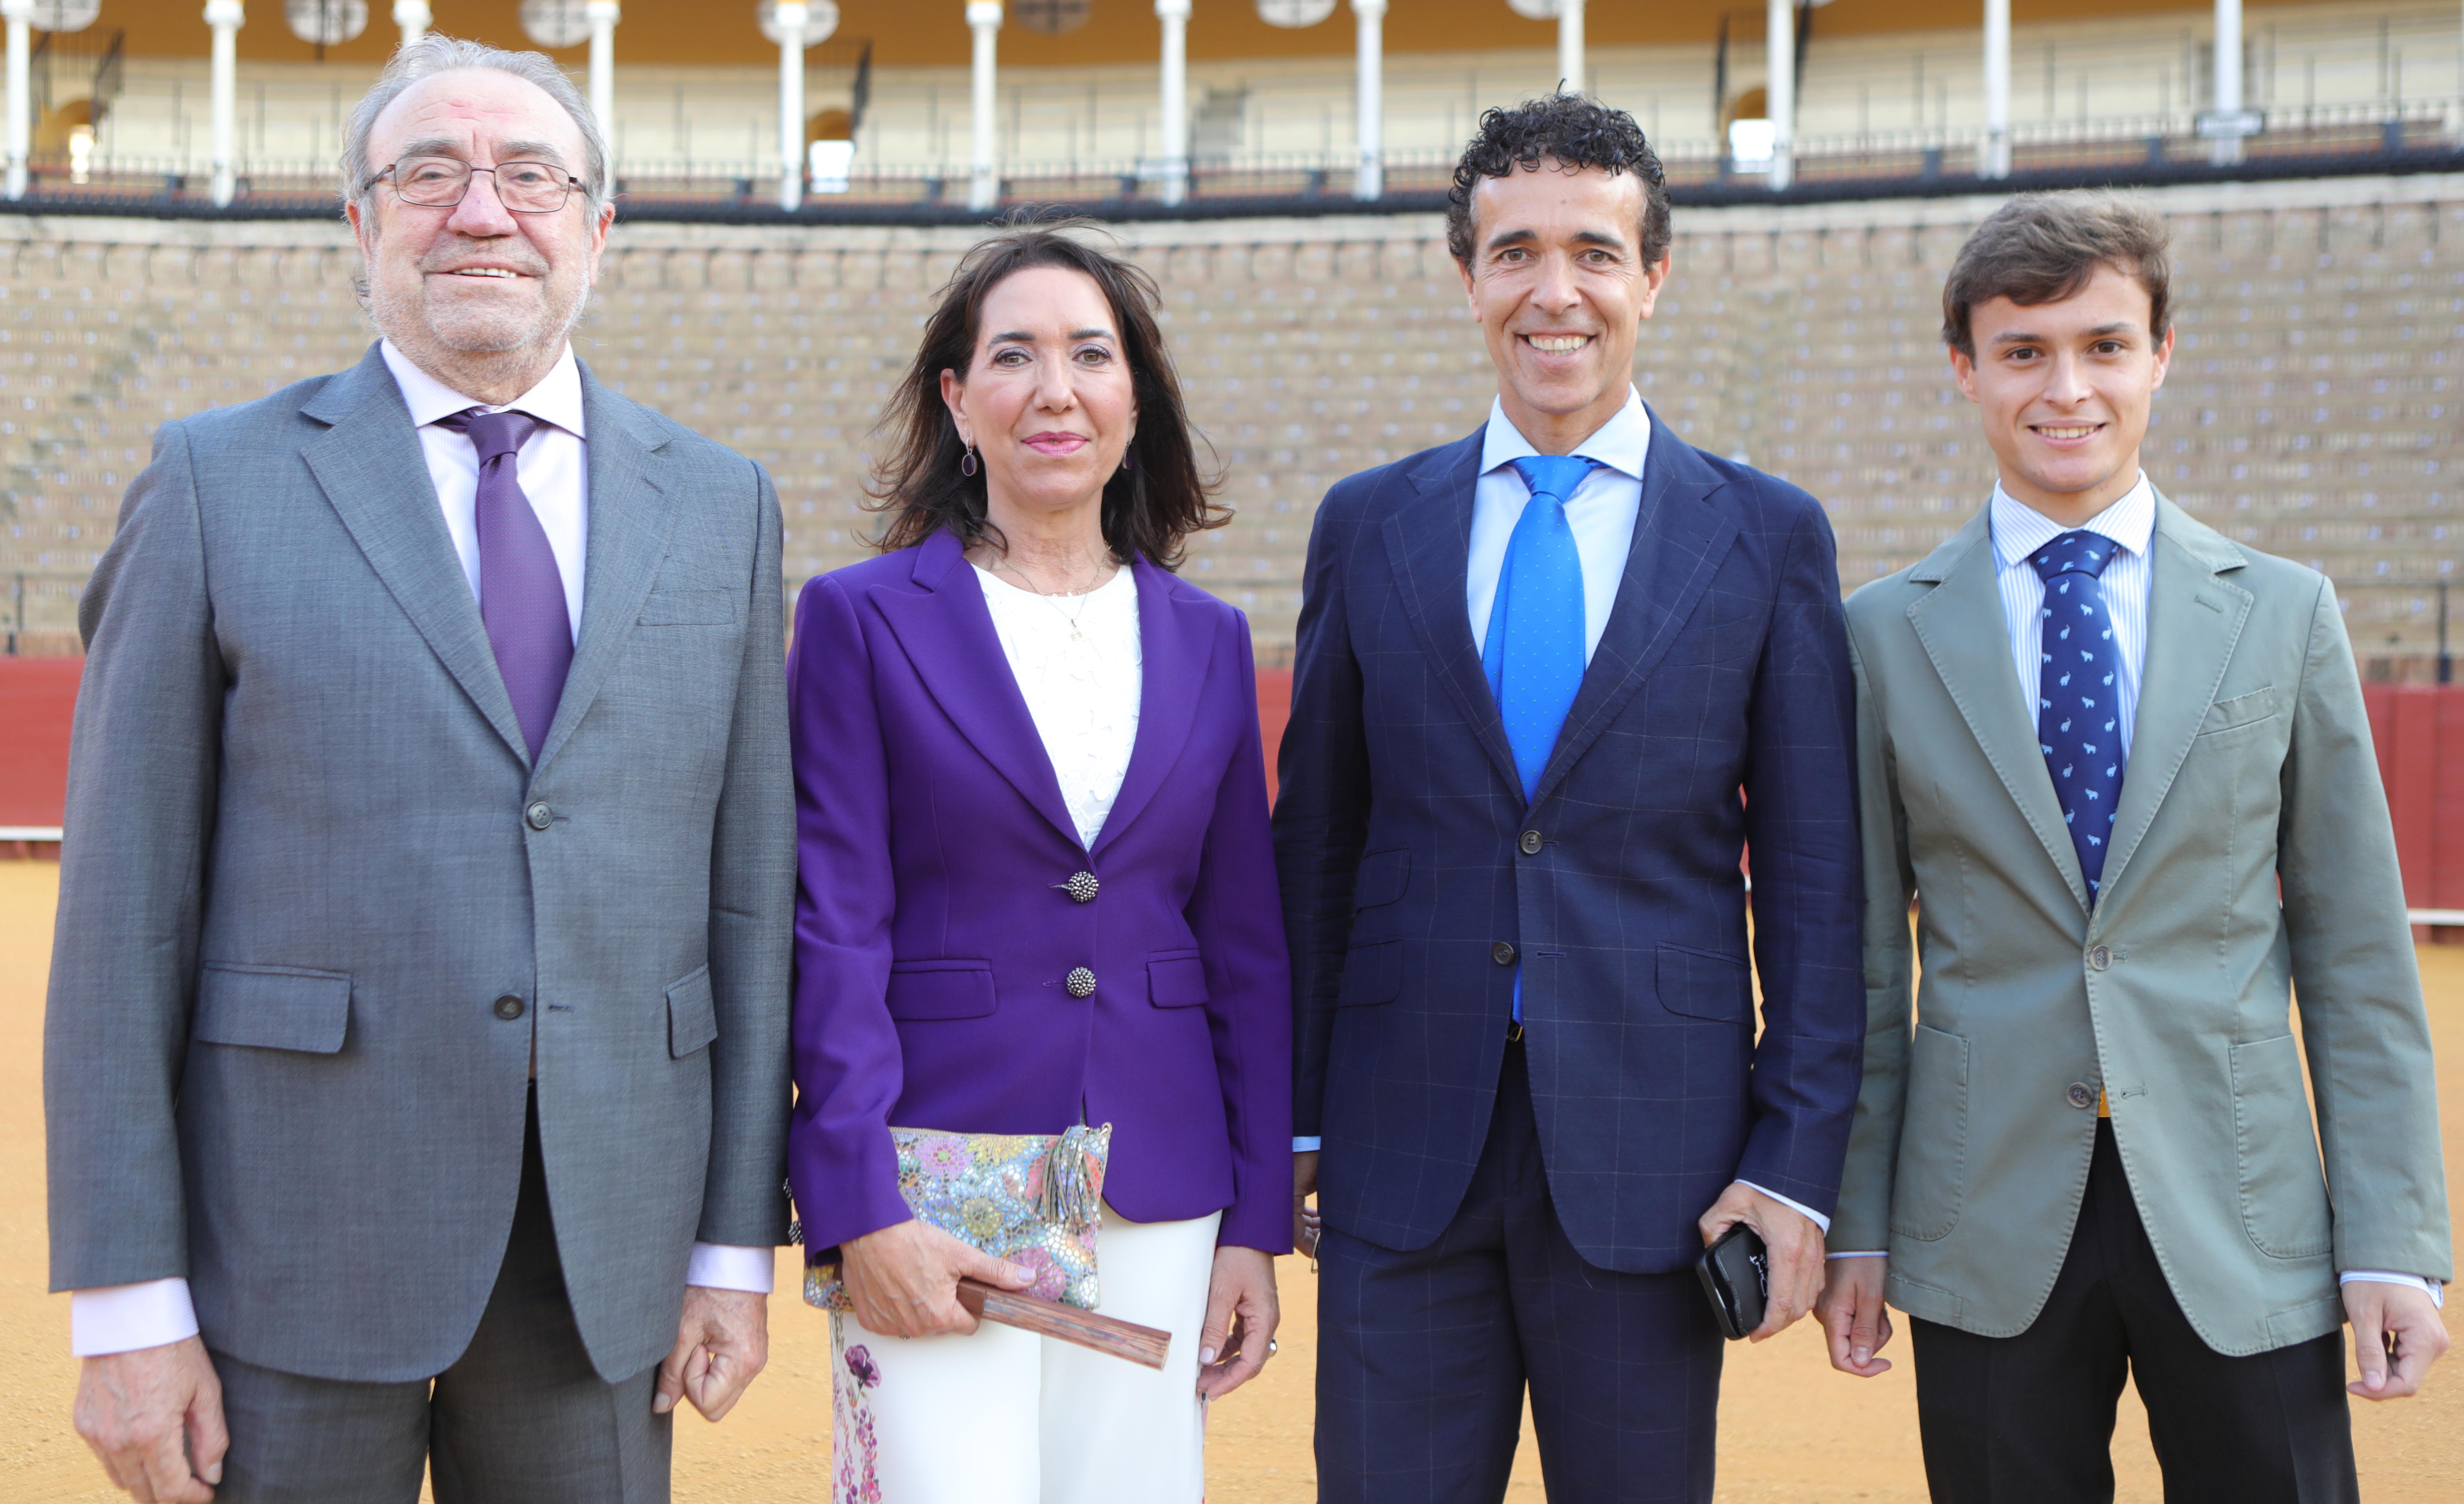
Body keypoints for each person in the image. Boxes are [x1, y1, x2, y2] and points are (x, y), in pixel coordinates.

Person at [46, 37, 793, 1504]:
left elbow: (748, 900)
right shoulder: (214, 481)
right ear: (360, 225)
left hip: (604, 1243)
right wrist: (130, 1307)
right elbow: (124, 914)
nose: (481, 210)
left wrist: (726, 1245)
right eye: (429, 173)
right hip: (296, 1232)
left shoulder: (721, 503)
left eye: (530, 175)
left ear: (598, 226)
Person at [1275, 93, 1865, 1504]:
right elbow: (1320, 846)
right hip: (1398, 1145)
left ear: (1653, 275)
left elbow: (1814, 883)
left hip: (1658, 1164)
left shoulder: (1767, 534)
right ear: (1467, 276)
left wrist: (1791, 1160)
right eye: (1517, 252)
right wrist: (1293, 1122)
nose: (1557, 292)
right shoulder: (1369, 521)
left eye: (1596, 253)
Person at [1816, 193, 2451, 1502]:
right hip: (1983, 1210)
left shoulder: (2283, 612)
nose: (2068, 388)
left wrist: (2393, 1238)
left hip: (2244, 1208)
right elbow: (1869, 971)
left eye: (2104, 346)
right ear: (1966, 369)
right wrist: (1862, 1223)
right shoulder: (1880, 635)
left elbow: (2356, 959)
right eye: (2024, 351)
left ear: (2163, 355)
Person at [786, 225, 1291, 1504]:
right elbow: (833, 926)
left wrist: (1255, 1227)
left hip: (1164, 1187)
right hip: (936, 1186)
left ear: (1134, 400)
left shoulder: (1208, 639)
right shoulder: (859, 619)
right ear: (959, 401)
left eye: (1090, 356)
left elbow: (1242, 945)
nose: (1054, 389)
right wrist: (854, 1206)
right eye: (1012, 356)